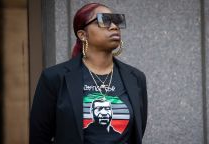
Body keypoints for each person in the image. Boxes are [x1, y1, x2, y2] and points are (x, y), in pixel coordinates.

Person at [29, 2, 147, 144]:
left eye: (116, 21)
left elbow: (137, 131)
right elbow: (39, 137)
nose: (114, 27)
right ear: (83, 35)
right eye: (104, 20)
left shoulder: (135, 78)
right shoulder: (54, 77)